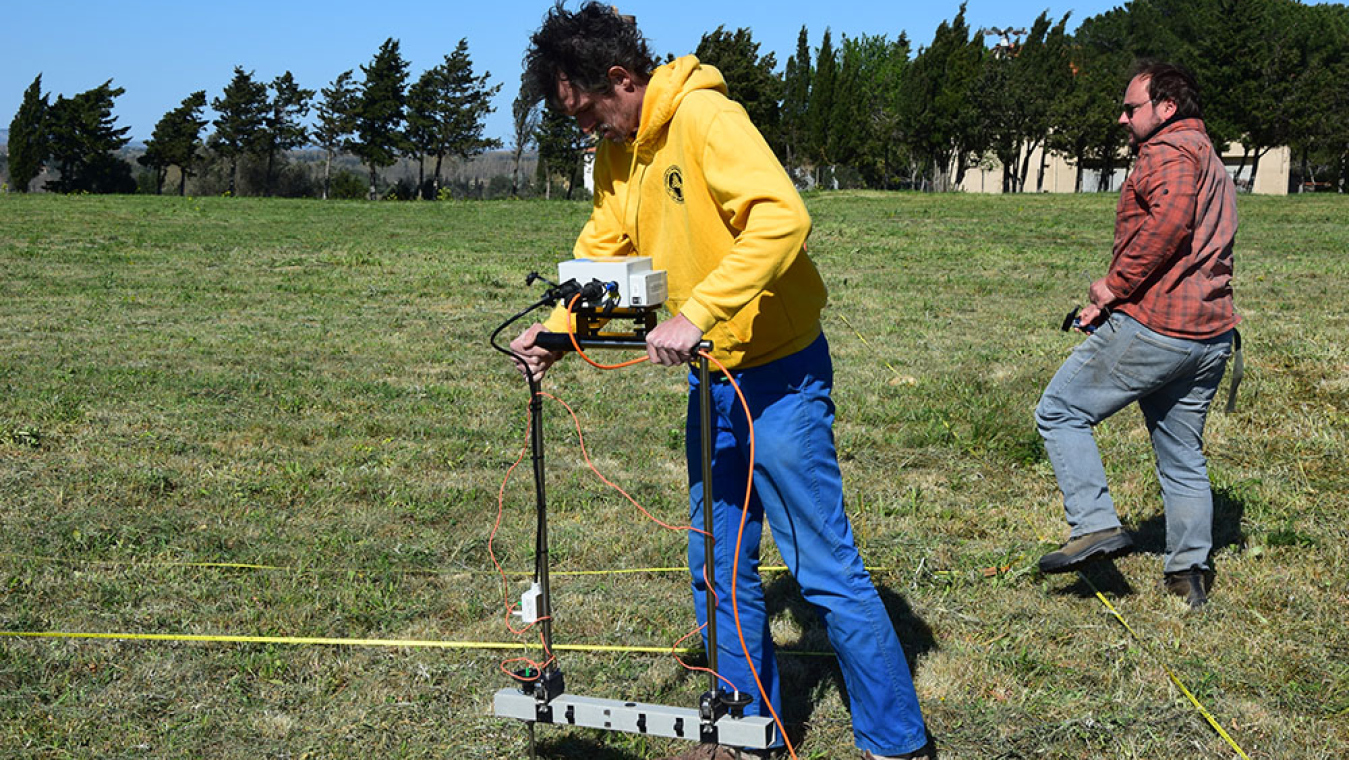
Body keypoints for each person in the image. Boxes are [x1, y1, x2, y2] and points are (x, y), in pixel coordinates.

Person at [507, 4, 932, 759]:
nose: (585, 128)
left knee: (824, 572)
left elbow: (781, 218)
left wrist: (697, 313)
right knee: (716, 565)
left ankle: (896, 744)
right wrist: (555, 334)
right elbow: (604, 256)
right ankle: (744, 730)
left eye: (587, 110)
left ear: (620, 79)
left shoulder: (706, 117)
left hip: (780, 378)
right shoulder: (616, 155)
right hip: (713, 382)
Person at [1035, 62, 1239, 609]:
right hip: (1210, 336)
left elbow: (1168, 224)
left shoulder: (1167, 150)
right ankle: (1187, 575)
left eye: (1131, 108)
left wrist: (1112, 287)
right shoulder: (1209, 156)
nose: (1122, 118)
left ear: (1166, 108)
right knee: (1182, 455)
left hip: (1159, 327)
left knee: (1060, 410)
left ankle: (1094, 525)